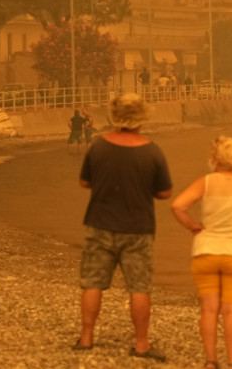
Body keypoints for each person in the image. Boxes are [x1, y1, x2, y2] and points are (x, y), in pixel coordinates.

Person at [74, 93, 172, 362]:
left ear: (113, 116)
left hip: (100, 223)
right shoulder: (152, 151)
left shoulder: (98, 147)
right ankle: (141, 345)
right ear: (142, 117)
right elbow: (165, 193)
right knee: (139, 287)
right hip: (138, 228)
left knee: (92, 283)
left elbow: (85, 183)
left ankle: (86, 340)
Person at [171, 136, 232, 369]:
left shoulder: (205, 182)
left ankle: (211, 360)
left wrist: (192, 225)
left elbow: (178, 206)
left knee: (208, 309)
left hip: (206, 251)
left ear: (215, 158)